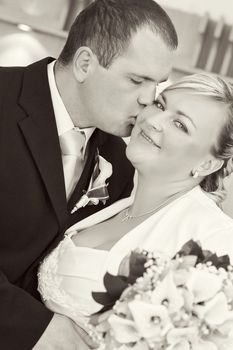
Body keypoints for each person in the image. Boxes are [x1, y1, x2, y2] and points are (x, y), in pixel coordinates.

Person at [0, 0, 178, 349]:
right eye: (137, 79)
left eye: (156, 84)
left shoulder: (123, 161)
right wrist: (34, 327)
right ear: (85, 63)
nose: (148, 99)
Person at [38, 73, 233, 348]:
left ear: (207, 164)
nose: (153, 121)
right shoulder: (117, 197)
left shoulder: (217, 239)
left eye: (180, 124)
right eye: (161, 105)